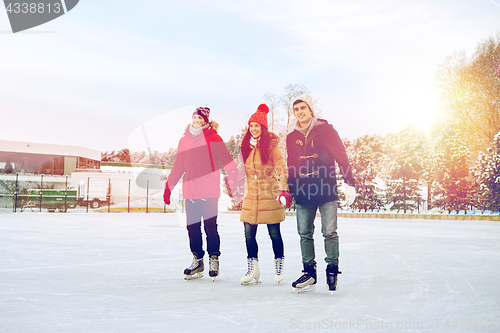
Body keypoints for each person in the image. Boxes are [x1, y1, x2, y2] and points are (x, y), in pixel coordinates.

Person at [286, 94, 356, 294]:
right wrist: (291, 189)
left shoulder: (326, 130)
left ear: (310, 110)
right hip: (303, 190)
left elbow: (341, 155)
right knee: (304, 233)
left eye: (303, 108)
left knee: (329, 232)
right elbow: (291, 164)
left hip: (325, 187)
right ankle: (309, 272)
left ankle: (332, 270)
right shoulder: (291, 137)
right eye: (296, 109)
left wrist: (349, 181)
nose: (299, 112)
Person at [163, 107, 237, 281]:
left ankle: (213, 259)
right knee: (192, 227)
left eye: (200, 118)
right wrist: (169, 186)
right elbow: (178, 166)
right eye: (194, 117)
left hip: (209, 190)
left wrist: (232, 177)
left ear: (206, 120)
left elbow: (227, 159)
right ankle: (197, 260)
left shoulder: (214, 138)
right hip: (190, 191)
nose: (196, 120)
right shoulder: (184, 141)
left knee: (210, 227)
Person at [239, 104, 293, 285]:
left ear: (263, 127)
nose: (253, 129)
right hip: (251, 194)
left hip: (269, 193)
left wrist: (284, 189)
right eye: (251, 125)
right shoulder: (246, 145)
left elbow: (282, 169)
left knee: (274, 233)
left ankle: (279, 264)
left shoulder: (271, 145)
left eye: (257, 126)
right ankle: (253, 269)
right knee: (248, 234)